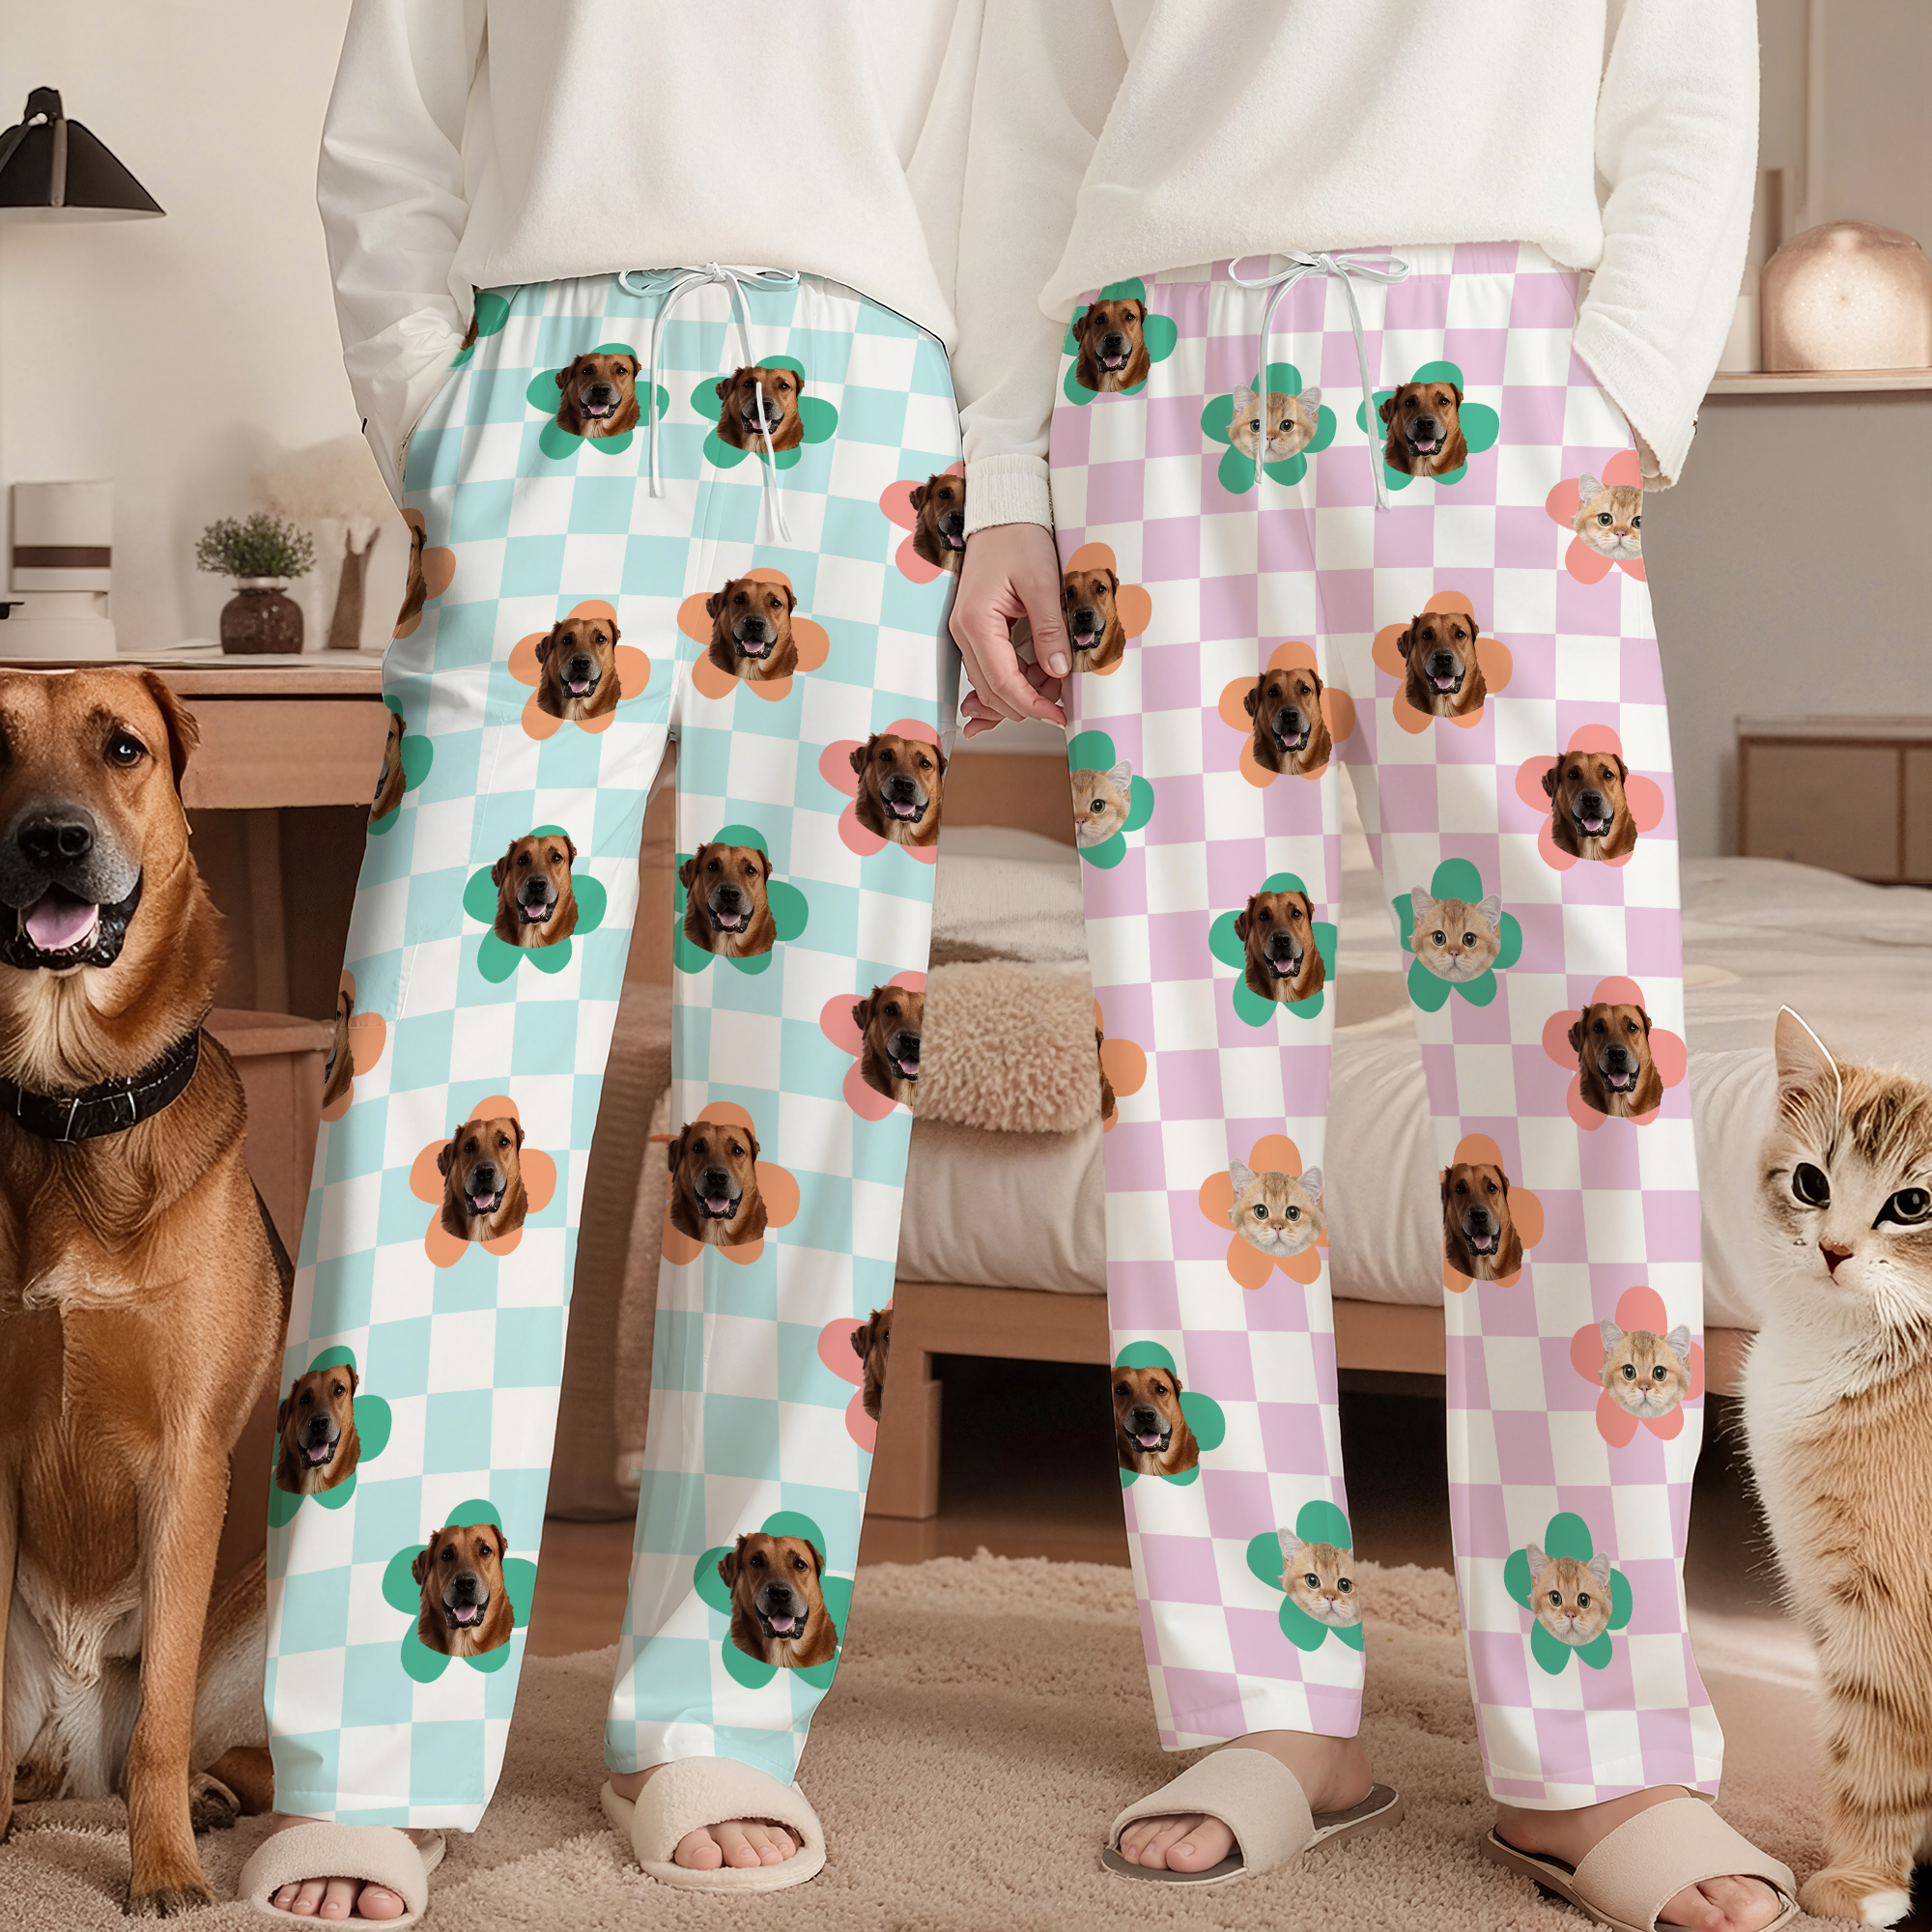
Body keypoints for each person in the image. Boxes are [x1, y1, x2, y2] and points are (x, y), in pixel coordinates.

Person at [950, 4, 1799, 1928]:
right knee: (1187, 1078)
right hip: (1151, 386)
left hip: (1489, 373)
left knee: (1575, 1067)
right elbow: (1025, 113)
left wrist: (1618, 398)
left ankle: (1604, 1746)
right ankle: (1268, 1703)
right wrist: (1006, 469)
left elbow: (1681, 72)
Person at [240, 1, 1002, 1918]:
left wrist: (997, 461)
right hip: (551, 385)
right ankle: (365, 1734)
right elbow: (389, 133)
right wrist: (440, 408)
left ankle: (721, 1715)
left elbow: (1020, 146)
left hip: (872, 414)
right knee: (435, 1063)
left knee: (807, 1087)